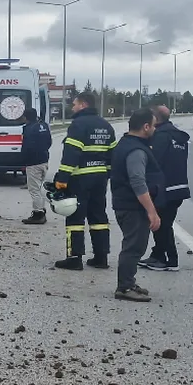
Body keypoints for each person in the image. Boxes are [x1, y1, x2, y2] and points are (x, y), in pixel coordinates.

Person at [53, 92, 116, 270]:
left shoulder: (78, 125)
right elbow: (113, 154)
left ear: (83, 105)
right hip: (100, 178)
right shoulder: (106, 126)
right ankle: (101, 257)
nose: (72, 108)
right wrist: (107, 174)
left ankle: (74, 258)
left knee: (75, 217)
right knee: (98, 216)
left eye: (74, 104)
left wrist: (62, 178)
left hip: (80, 178)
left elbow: (71, 152)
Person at [110, 109, 163, 302]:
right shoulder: (136, 151)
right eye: (154, 125)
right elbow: (138, 181)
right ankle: (124, 288)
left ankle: (129, 282)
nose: (155, 129)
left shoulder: (125, 144)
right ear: (146, 127)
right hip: (132, 206)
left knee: (134, 245)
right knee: (133, 247)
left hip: (125, 204)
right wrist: (152, 211)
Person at [142, 105, 189, 271]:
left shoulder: (161, 136)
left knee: (161, 224)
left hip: (165, 188)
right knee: (163, 223)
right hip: (180, 186)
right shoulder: (178, 136)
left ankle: (170, 259)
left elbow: (154, 162)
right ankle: (157, 255)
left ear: (156, 118)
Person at [20, 107, 52, 224]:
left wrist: (23, 161)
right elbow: (49, 142)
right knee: (39, 188)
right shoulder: (43, 126)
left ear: (26, 117)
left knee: (34, 189)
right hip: (44, 160)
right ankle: (41, 210)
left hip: (33, 163)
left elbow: (27, 147)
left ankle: (38, 214)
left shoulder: (29, 129)